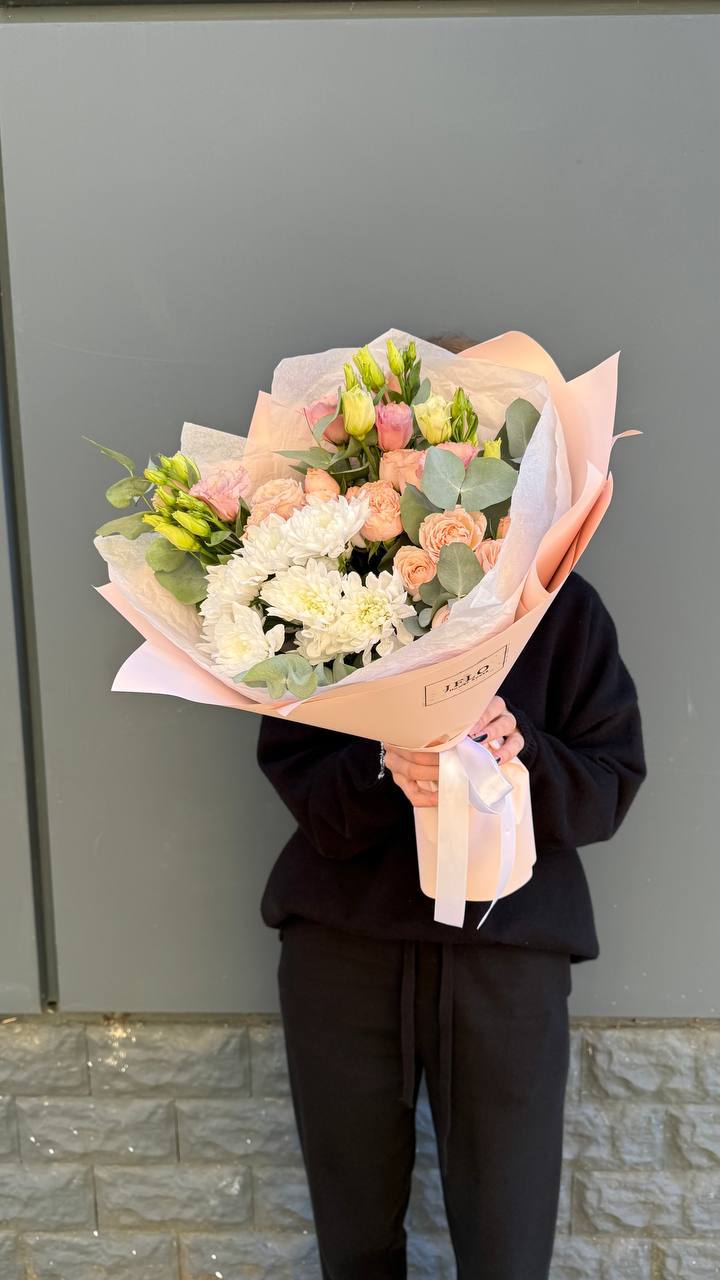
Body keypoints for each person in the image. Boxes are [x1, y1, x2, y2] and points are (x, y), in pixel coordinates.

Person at [255, 334, 646, 1280]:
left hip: (508, 958)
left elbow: (610, 783)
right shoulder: (330, 603)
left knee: (509, 1250)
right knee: (355, 1247)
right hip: (344, 952)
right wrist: (386, 761)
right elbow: (295, 773)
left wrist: (521, 754)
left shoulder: (567, 610)